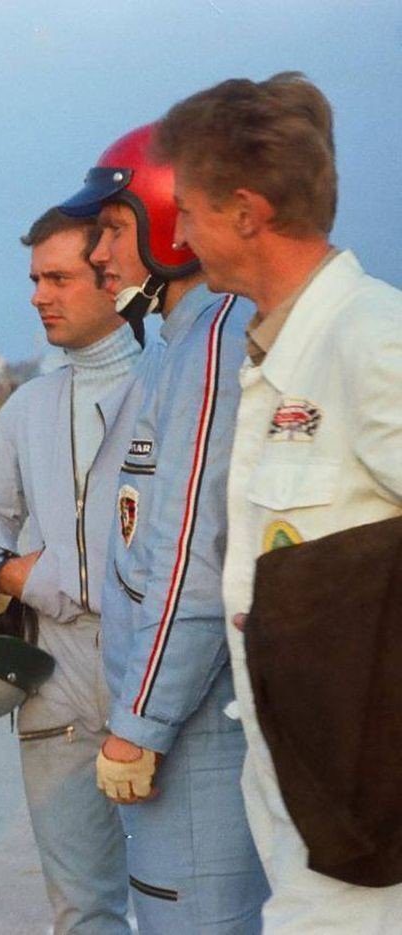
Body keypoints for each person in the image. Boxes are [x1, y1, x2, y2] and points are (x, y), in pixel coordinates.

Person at [156, 71, 402, 932]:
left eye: (187, 210)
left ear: (247, 212)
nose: (178, 234)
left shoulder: (371, 340)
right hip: (305, 784)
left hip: (371, 800)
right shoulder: (278, 346)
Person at [58, 122, 269, 931]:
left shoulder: (214, 340)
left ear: (166, 218)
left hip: (196, 727)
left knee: (195, 916)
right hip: (176, 713)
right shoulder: (174, 346)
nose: (98, 255)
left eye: (111, 228)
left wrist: (138, 725)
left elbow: (189, 556)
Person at [0, 208, 140, 934]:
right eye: (35, 278)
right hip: (56, 678)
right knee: (83, 907)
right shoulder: (28, 404)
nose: (39, 295)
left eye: (58, 278)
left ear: (114, 276)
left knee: (182, 898)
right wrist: (8, 571)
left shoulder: (173, 388)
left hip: (152, 662)